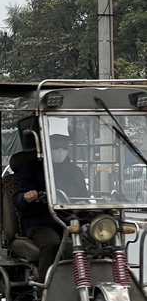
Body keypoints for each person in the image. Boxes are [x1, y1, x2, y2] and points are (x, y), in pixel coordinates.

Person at [13, 118, 89, 284]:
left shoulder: (75, 171)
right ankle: (46, 287)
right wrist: (27, 197)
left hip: (71, 220)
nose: (60, 149)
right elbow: (18, 200)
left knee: (98, 240)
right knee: (52, 243)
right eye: (56, 145)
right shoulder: (31, 169)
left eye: (64, 145)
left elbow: (84, 197)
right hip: (41, 223)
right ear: (46, 145)